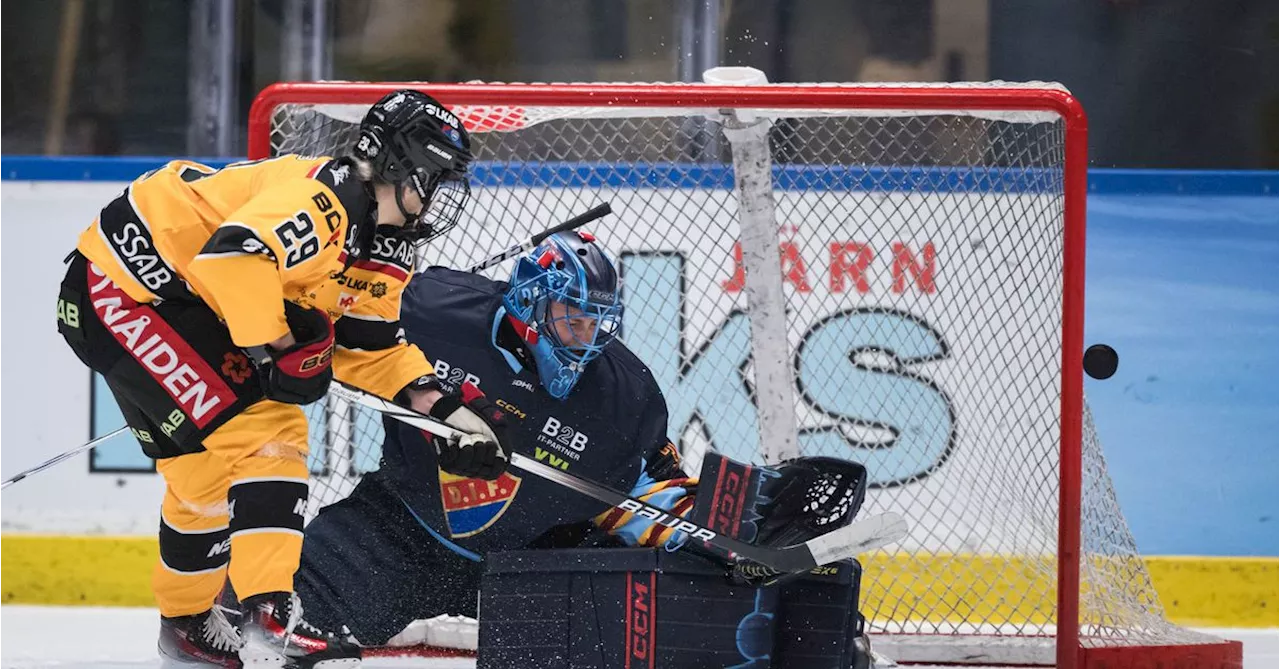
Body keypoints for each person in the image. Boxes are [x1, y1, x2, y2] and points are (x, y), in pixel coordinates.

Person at [54, 89, 511, 668]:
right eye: (433, 178)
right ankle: (270, 613)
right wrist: (277, 350)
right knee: (270, 430)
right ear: (398, 165)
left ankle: (187, 623)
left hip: (175, 301)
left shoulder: (384, 249)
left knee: (205, 477)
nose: (438, 197)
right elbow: (232, 258)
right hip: (126, 288)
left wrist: (449, 414)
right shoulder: (326, 201)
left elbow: (370, 348)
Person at [293, 230, 692, 646]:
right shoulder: (431, 309)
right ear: (531, 300)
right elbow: (346, 325)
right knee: (282, 619)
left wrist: (714, 539)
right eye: (573, 320)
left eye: (595, 324)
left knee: (632, 628)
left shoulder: (625, 396)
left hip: (528, 565)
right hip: (395, 529)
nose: (585, 339)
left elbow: (655, 491)